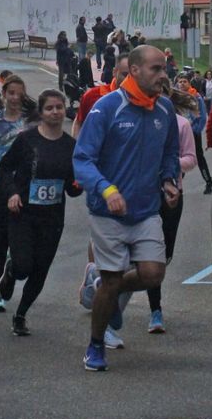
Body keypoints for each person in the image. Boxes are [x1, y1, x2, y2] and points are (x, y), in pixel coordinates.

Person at [73, 45, 181, 372]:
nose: (163, 75)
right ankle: (95, 345)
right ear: (134, 70)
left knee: (152, 273)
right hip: (108, 211)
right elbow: (82, 160)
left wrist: (168, 181)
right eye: (155, 69)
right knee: (112, 277)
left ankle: (105, 291)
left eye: (164, 69)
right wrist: (107, 190)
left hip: (146, 209)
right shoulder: (107, 108)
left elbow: (170, 155)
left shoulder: (164, 110)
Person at [0, 89, 81, 335]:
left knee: (41, 269)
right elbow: (4, 169)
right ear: (41, 112)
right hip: (23, 212)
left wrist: (78, 186)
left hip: (52, 217)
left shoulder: (71, 146)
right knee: (24, 265)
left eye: (59, 107)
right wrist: (11, 193)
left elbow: (72, 188)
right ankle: (11, 272)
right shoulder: (27, 140)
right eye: (49, 108)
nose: (55, 112)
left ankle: (20, 314)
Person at [145, 87, 198, 334]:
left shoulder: (181, 124)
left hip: (171, 195)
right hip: (143, 194)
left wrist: (169, 162)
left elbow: (191, 158)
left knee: (164, 255)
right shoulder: (141, 120)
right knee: (150, 254)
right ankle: (155, 310)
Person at [0, 75, 34, 312]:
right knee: (3, 236)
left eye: (19, 93)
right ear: (3, 94)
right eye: (11, 93)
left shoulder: (30, 121)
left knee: (22, 234)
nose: (15, 98)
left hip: (25, 184)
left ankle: (12, 272)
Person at [183, 77, 212, 193]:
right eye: (180, 81)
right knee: (181, 157)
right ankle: (177, 184)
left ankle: (208, 182)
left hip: (193, 132)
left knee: (199, 157)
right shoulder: (176, 97)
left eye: (184, 81)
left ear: (189, 83)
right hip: (182, 132)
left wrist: (196, 130)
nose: (182, 83)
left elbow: (202, 116)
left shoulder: (196, 96)